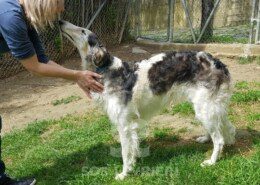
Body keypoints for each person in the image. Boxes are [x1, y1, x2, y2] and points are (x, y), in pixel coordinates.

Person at [0, 0, 104, 184]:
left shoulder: (25, 17)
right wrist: (76, 75)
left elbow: (42, 60)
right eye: (60, 2)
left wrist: (76, 78)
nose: (62, 8)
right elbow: (34, 68)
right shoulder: (10, 16)